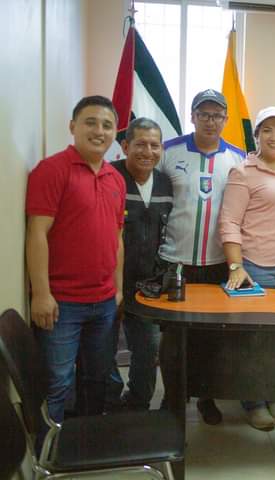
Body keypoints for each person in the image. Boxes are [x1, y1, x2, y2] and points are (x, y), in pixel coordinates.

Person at [25, 95, 125, 425]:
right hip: (61, 305)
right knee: (56, 384)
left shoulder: (115, 178)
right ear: (73, 126)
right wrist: (41, 294)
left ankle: (87, 444)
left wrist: (118, 289)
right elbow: (37, 233)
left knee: (97, 380)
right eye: (90, 122)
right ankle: (48, 450)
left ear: (115, 133)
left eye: (107, 125)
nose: (99, 131)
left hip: (104, 303)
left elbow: (117, 238)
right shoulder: (52, 170)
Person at [158, 89, 245, 425]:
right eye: (204, 114)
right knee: (172, 338)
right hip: (174, 262)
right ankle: (172, 397)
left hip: (217, 264)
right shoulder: (168, 152)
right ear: (192, 116)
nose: (211, 121)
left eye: (217, 115)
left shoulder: (238, 158)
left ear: (225, 119)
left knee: (211, 337)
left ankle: (207, 396)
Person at [218, 106, 275, 431]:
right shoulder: (243, 172)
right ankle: (254, 403)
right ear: (255, 136)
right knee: (255, 339)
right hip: (256, 267)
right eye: (266, 130)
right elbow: (229, 222)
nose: (274, 136)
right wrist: (235, 265)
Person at [105, 117, 173, 411]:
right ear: (125, 146)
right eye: (140, 144)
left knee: (147, 350)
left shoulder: (166, 183)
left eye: (154, 145)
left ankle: (137, 403)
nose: (148, 151)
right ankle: (108, 402)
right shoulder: (109, 177)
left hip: (149, 288)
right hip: (109, 284)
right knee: (102, 350)